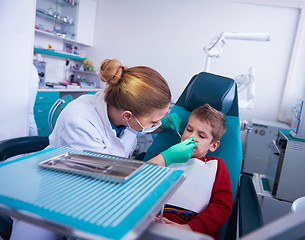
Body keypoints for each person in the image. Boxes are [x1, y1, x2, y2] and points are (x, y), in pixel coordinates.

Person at [10, 59, 196, 240]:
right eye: (153, 122)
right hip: (52, 197)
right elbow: (104, 185)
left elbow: (135, 127)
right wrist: (166, 158)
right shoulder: (80, 121)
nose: (156, 125)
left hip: (93, 194)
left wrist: (161, 123)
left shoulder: (122, 109)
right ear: (127, 116)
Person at [155, 104, 233, 240]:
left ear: (213, 145)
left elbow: (222, 207)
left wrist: (189, 228)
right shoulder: (165, 157)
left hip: (192, 233)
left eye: (201, 136)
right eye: (189, 129)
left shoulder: (216, 166)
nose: (191, 138)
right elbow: (142, 187)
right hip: (155, 227)